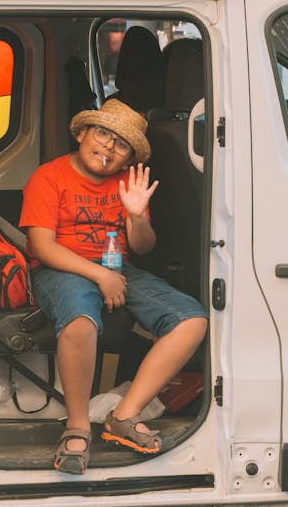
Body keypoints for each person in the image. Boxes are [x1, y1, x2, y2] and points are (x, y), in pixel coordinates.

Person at [19, 98, 208, 475]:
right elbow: (41, 246)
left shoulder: (127, 184)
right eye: (102, 134)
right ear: (83, 134)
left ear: (127, 159)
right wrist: (100, 276)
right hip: (61, 267)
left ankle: (124, 415)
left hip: (118, 266)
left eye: (120, 145)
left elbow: (143, 247)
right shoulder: (49, 176)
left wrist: (137, 216)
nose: (108, 147)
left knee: (192, 320)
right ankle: (76, 426)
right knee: (79, 321)